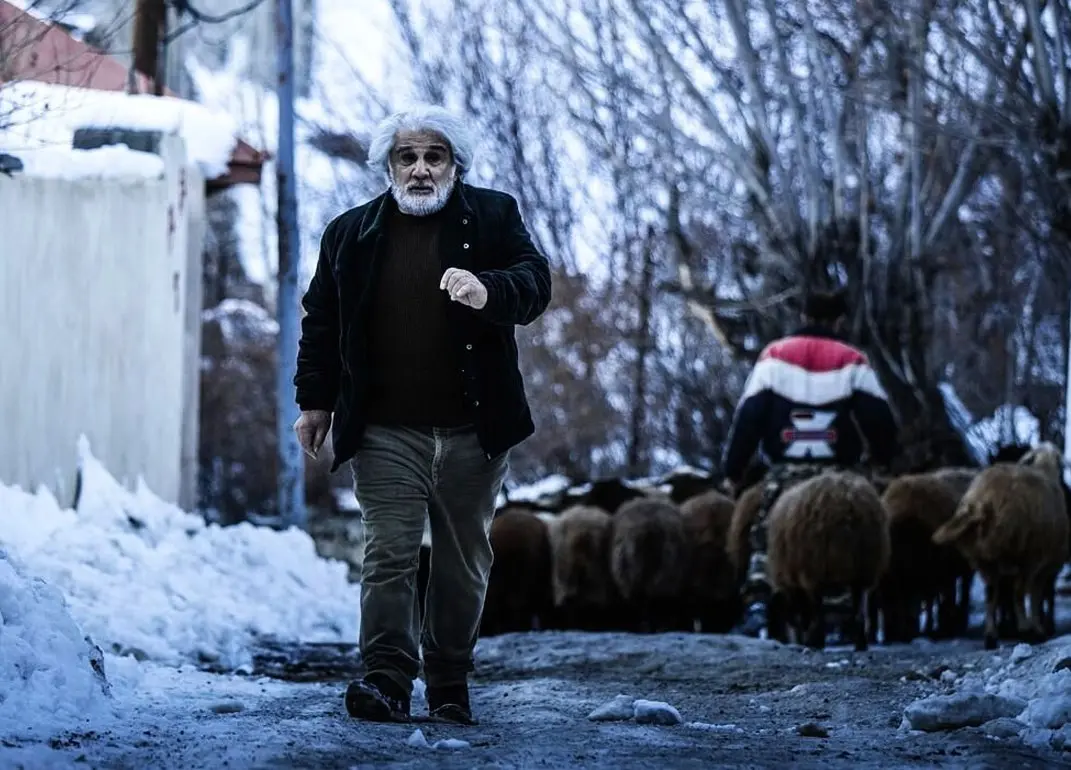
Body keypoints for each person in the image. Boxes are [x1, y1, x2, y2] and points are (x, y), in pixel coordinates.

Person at [292, 104, 552, 725]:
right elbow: (321, 322)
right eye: (406, 157)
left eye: (434, 156)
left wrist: (489, 291)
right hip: (384, 430)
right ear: (388, 167)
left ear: (455, 165)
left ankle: (449, 683)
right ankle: (385, 678)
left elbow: (535, 281)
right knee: (390, 552)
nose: (420, 169)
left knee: (464, 559)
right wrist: (314, 401)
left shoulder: (494, 215)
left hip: (474, 429)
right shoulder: (349, 234)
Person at [720, 289, 898, 637]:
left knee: (765, 529)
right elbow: (880, 419)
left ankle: (759, 596)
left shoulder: (774, 357)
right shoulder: (853, 360)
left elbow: (748, 417)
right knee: (853, 530)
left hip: (786, 470)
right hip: (839, 473)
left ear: (803, 317)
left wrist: (733, 469)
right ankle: (844, 607)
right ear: (840, 320)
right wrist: (882, 458)